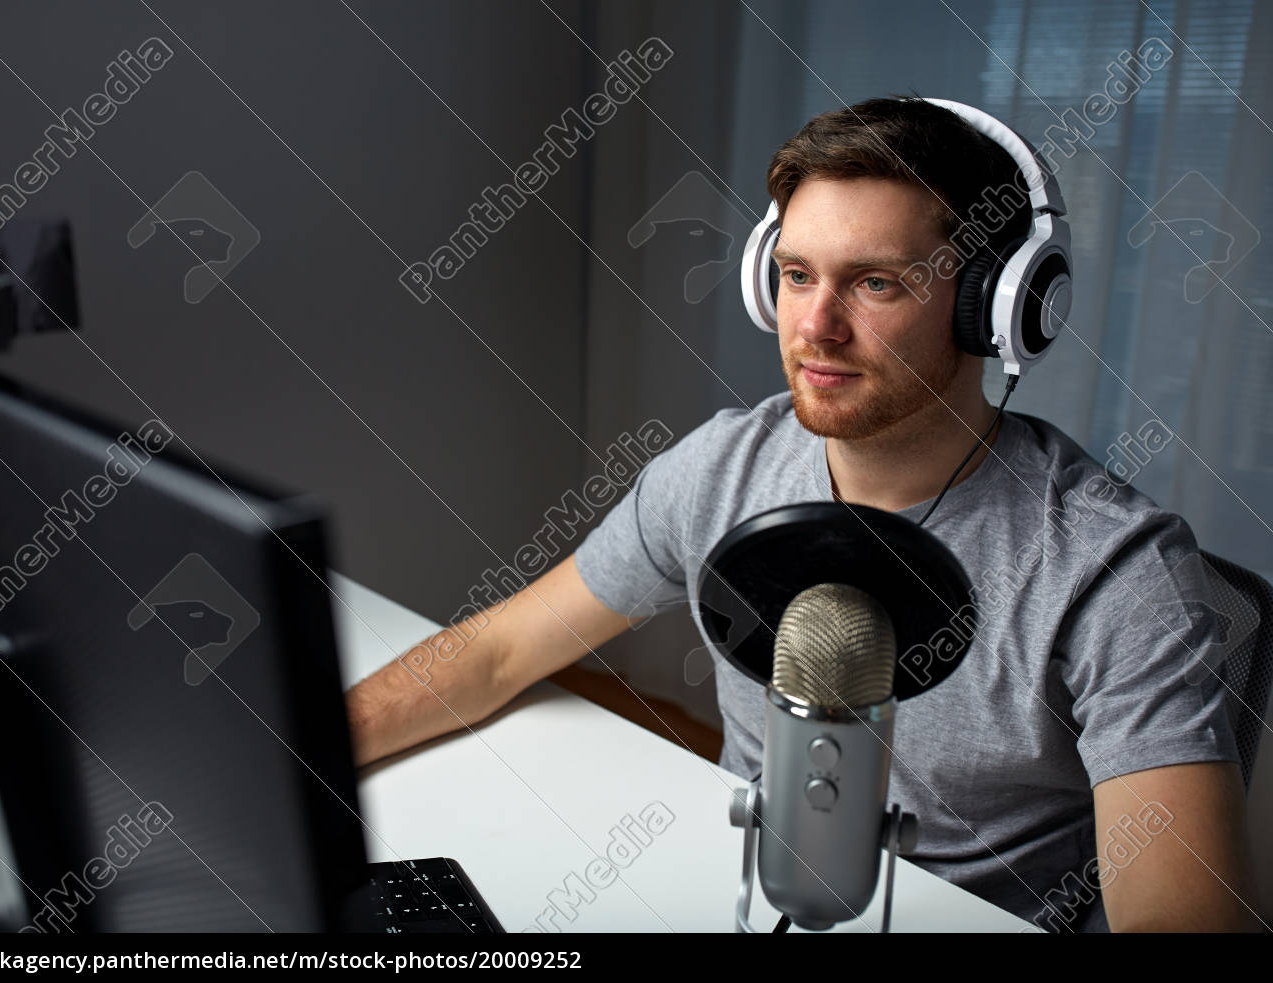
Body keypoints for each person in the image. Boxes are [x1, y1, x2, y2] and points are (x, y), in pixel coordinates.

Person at [345, 96, 1259, 932]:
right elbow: (498, 651)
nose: (814, 326)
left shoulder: (1116, 570)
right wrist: (293, 759)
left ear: (994, 309)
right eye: (795, 274)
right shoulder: (720, 470)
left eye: (876, 284)